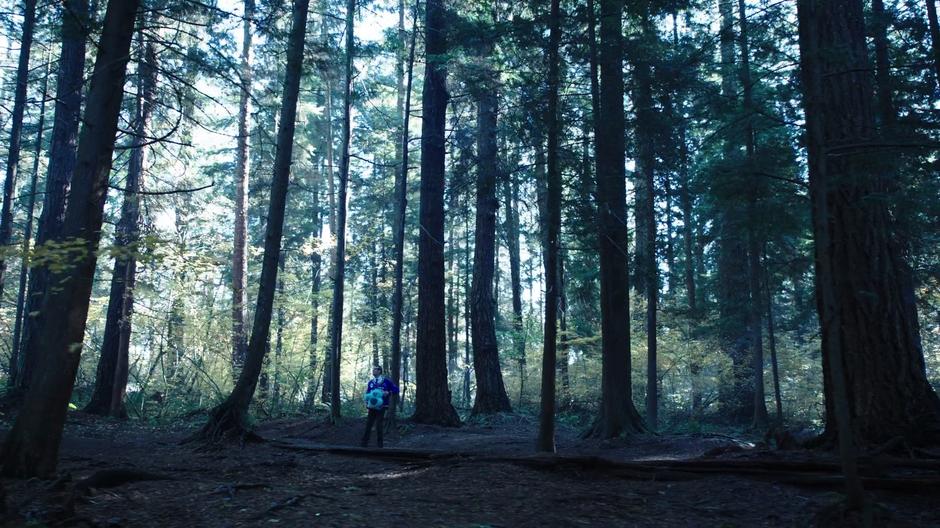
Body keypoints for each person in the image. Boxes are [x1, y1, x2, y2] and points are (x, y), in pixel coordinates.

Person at [360, 366, 398, 448]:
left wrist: (388, 392)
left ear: (379, 371)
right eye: (373, 369)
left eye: (375, 369)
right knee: (369, 424)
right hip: (371, 407)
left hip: (382, 406)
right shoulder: (371, 382)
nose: (373, 371)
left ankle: (380, 445)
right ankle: (364, 444)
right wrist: (367, 402)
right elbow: (368, 393)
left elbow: (396, 389)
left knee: (379, 425)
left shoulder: (386, 382)